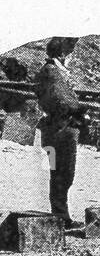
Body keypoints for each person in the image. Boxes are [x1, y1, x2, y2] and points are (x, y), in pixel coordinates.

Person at [36, 36, 85, 229]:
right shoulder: (52, 72)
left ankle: (61, 217)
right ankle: (61, 218)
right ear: (63, 54)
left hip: (57, 130)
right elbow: (61, 100)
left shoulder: (55, 72)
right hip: (59, 131)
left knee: (62, 174)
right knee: (62, 174)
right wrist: (80, 108)